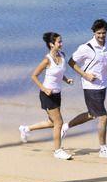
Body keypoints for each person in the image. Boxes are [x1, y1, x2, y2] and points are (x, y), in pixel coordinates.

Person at [18, 31, 79, 160]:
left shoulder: (62, 55)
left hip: (57, 94)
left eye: (61, 41)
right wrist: (44, 89)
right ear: (51, 44)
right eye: (59, 42)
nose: (61, 44)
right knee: (59, 123)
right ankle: (57, 151)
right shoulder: (47, 60)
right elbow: (34, 76)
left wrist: (67, 80)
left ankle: (26, 129)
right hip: (47, 95)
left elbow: (59, 74)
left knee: (52, 122)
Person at [67, 18, 107, 158]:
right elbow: (71, 62)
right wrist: (85, 75)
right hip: (90, 86)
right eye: (98, 33)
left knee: (92, 114)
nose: (101, 36)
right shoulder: (86, 47)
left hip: (103, 85)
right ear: (94, 33)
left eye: (103, 33)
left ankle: (66, 127)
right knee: (103, 117)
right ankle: (103, 149)